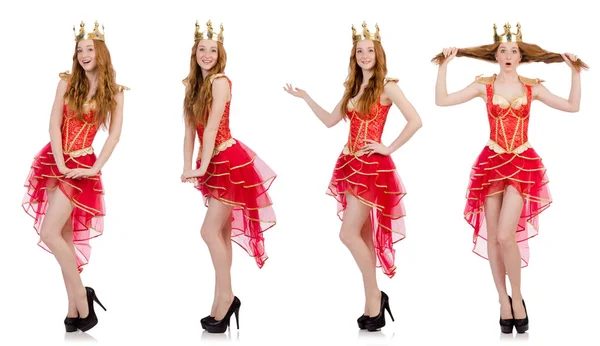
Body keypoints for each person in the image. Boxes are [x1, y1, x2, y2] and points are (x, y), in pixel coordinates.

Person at [433, 22, 587, 334]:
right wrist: (445, 66)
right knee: (493, 236)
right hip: (491, 161)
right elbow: (442, 100)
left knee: (506, 234)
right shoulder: (484, 85)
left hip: (521, 162)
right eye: (503, 50)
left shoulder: (532, 87)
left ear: (521, 57)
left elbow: (573, 107)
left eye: (514, 51)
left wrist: (574, 72)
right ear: (496, 55)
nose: (508, 55)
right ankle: (502, 300)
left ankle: (518, 297)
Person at [284, 22, 422, 331]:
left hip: (371, 168)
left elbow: (416, 120)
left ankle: (375, 295)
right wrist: (306, 97)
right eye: (359, 51)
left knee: (348, 234)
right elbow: (332, 121)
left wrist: (388, 148)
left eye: (369, 50)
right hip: (348, 164)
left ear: (378, 53)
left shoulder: (388, 86)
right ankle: (372, 302)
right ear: (354, 55)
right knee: (360, 235)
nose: (364, 55)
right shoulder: (352, 87)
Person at [22, 21, 127, 332]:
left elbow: (114, 137)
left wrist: (95, 168)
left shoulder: (116, 93)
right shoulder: (67, 82)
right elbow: (53, 124)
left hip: (82, 166)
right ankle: (75, 306)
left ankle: (82, 296)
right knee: (61, 235)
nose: (83, 54)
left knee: (49, 233)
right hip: (55, 162)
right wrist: (59, 162)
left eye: (89, 49)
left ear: (101, 52)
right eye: (79, 50)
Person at [181, 20, 277, 334]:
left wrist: (202, 167)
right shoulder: (193, 85)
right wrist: (187, 165)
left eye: (212, 50)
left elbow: (210, 129)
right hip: (212, 161)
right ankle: (220, 300)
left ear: (220, 54)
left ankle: (227, 296)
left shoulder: (221, 82)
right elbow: (189, 132)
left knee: (209, 231)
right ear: (194, 53)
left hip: (228, 162)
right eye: (201, 49)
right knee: (220, 233)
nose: (206, 54)